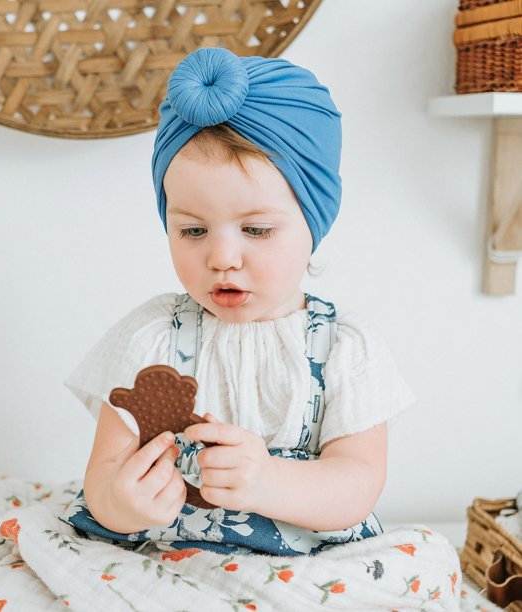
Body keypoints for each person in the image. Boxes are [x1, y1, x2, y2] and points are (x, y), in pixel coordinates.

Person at [61, 47, 416, 556]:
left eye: (256, 229)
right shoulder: (152, 337)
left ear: (313, 224)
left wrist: (270, 480)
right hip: (165, 558)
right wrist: (124, 501)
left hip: (300, 564)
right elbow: (102, 478)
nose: (222, 257)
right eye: (192, 229)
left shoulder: (345, 349)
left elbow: (357, 485)